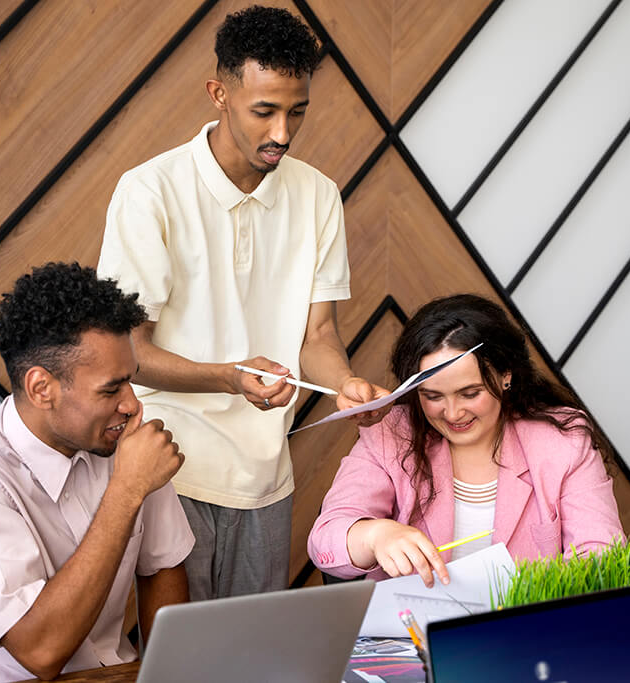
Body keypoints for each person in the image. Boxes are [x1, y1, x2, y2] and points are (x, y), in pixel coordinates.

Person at [99, 5, 388, 601]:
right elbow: (127, 352)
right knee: (185, 660)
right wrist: (232, 378)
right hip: (173, 468)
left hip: (266, 476)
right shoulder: (150, 191)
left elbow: (319, 337)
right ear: (218, 93)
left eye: (297, 111)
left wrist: (349, 383)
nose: (282, 132)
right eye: (265, 111)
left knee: (255, 656)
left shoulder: (318, 195)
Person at [0, 263, 194, 682]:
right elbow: (41, 652)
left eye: (130, 382)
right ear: (41, 388)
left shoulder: (122, 441)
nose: (132, 404)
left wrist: (165, 675)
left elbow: (163, 568)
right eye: (110, 389)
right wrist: (127, 490)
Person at [308, 294, 624, 586]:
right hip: (410, 635)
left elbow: (601, 554)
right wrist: (375, 535)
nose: (453, 413)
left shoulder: (563, 440)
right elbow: (325, 539)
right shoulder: (390, 435)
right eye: (432, 396)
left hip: (525, 633)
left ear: (505, 375)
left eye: (470, 393)